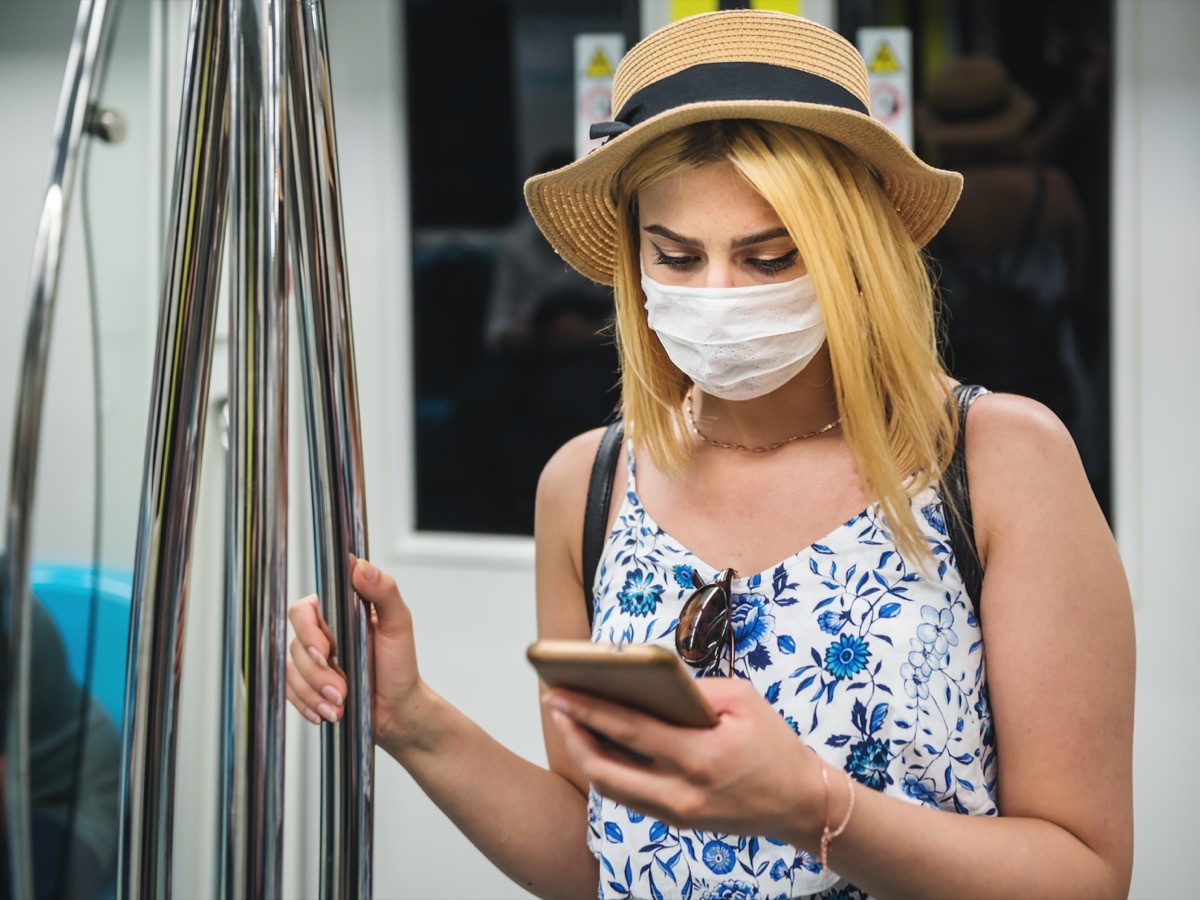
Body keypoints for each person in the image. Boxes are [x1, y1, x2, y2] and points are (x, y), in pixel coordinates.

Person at [286, 10, 1134, 899]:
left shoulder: (994, 463)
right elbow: (601, 854)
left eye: (769, 259)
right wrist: (409, 718)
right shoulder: (590, 486)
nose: (719, 299)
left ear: (854, 257)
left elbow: (1085, 874)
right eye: (678, 257)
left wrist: (813, 807)